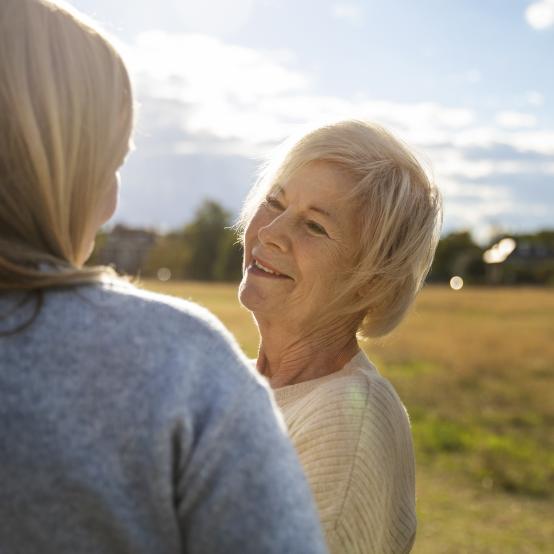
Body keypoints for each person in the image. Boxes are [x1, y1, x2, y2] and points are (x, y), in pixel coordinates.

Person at [0, 2, 328, 553]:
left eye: (316, 224)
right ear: (59, 168)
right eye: (110, 163)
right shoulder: (176, 361)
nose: (110, 204)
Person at [237, 119, 442, 553]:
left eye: (314, 226)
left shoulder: (347, 425)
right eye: (275, 202)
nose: (270, 232)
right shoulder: (241, 385)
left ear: (372, 282)